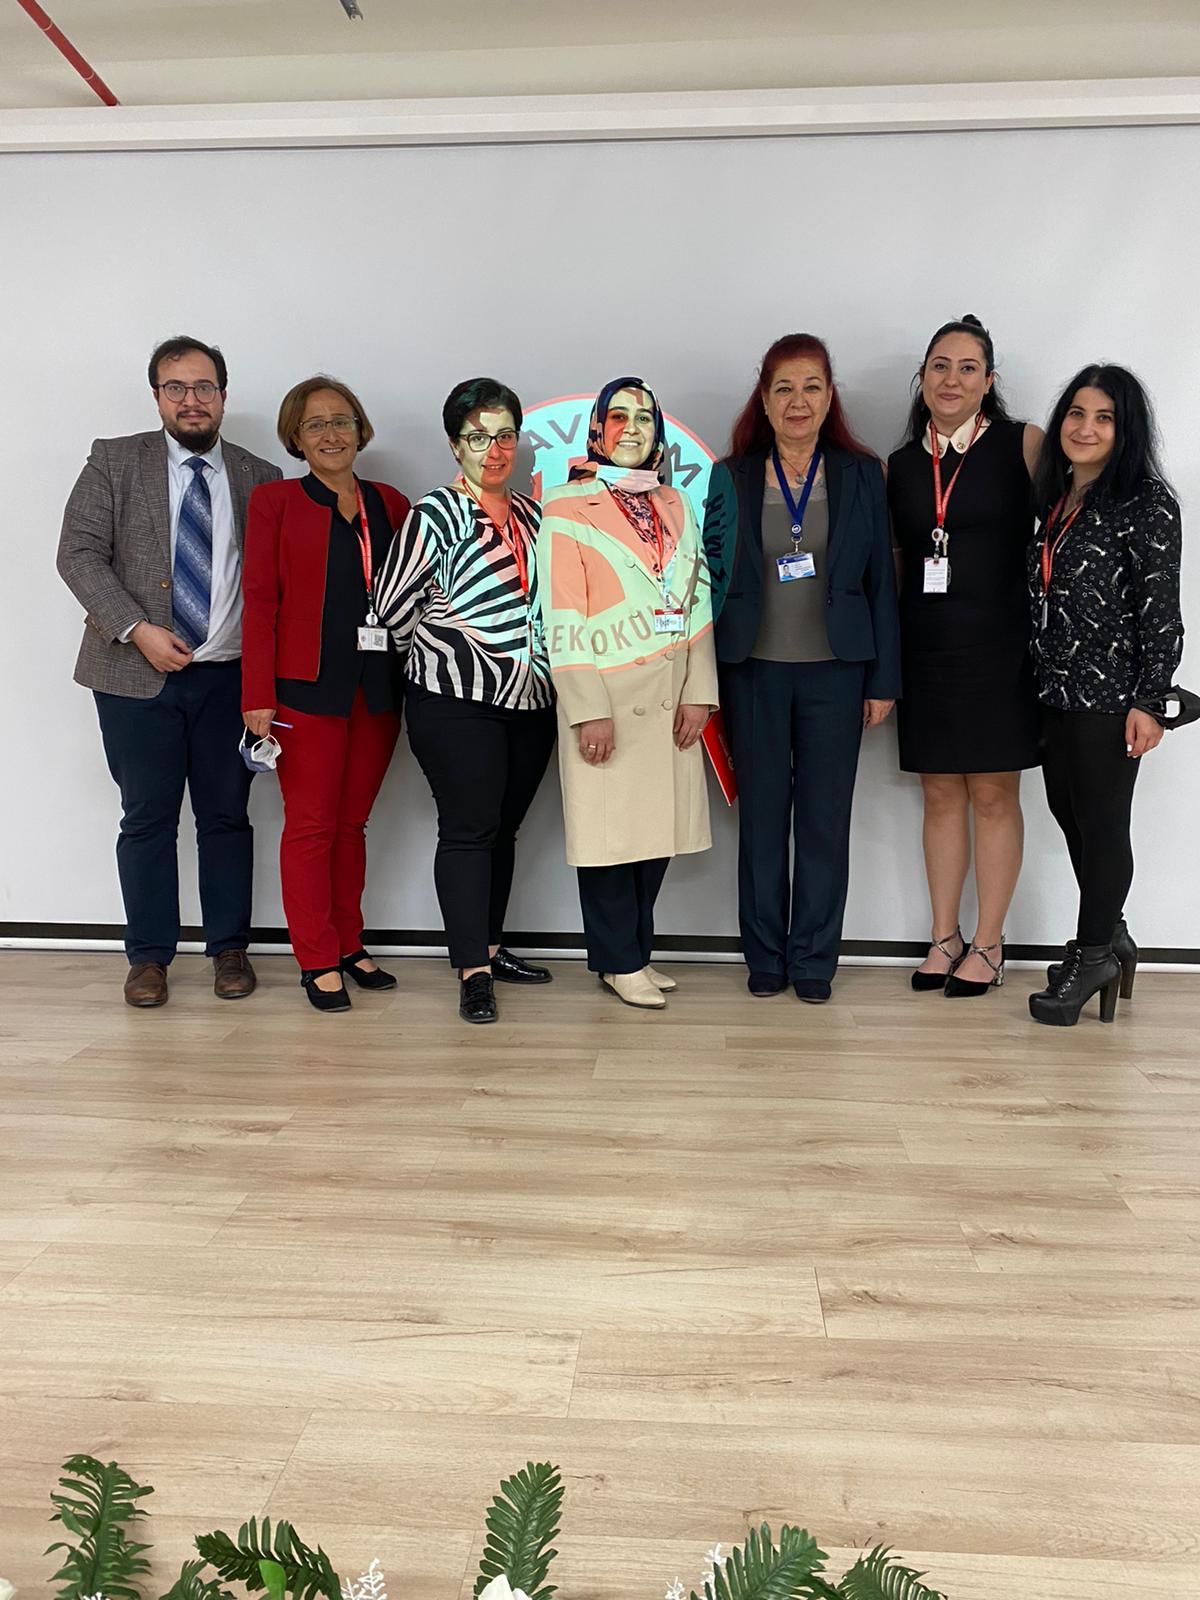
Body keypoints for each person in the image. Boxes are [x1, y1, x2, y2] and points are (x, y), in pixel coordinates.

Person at [57, 335, 281, 1008]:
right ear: (157, 395)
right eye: (175, 387)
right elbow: (78, 554)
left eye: (203, 386)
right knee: (147, 819)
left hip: (228, 680)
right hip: (133, 676)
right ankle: (149, 957)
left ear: (223, 395)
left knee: (227, 818)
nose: (191, 400)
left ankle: (229, 949)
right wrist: (138, 629)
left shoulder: (260, 476)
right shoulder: (114, 460)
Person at [703, 333, 900, 1003]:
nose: (798, 400)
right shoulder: (730, 476)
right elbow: (707, 578)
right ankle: (765, 955)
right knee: (761, 821)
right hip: (752, 671)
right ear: (763, 399)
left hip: (837, 674)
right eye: (783, 387)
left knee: (823, 822)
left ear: (829, 395)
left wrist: (883, 680)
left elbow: (881, 586)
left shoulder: (861, 474)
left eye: (811, 386)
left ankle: (814, 960)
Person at [373, 378, 556, 1025]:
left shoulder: (535, 516)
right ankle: (471, 970)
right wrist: (448, 652)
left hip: (532, 702)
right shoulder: (436, 514)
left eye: (505, 435)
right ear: (456, 445)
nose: (494, 449)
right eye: (479, 437)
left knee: (504, 828)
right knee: (469, 829)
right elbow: (391, 608)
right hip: (455, 700)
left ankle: (493, 948)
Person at [537, 377, 718, 1009]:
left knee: (655, 833)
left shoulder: (676, 501)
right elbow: (563, 615)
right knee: (611, 837)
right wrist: (587, 709)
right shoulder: (566, 505)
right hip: (609, 697)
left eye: (644, 418)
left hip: (671, 689)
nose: (632, 428)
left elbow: (697, 598)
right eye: (619, 417)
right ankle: (619, 959)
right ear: (597, 431)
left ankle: (634, 952)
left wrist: (700, 690)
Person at [241, 377, 410, 1012]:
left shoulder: (391, 503)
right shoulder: (275, 502)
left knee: (352, 825)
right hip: (302, 691)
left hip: (377, 688)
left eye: (342, 421)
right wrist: (256, 694)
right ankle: (316, 957)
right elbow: (260, 601)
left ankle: (348, 942)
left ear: (361, 430)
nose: (331, 434)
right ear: (296, 438)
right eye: (315, 424)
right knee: (311, 827)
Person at [887, 315, 1044, 998]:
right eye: (940, 366)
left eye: (968, 368)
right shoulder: (900, 465)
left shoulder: (1023, 443)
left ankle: (989, 941)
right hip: (928, 649)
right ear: (922, 377)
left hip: (1001, 649)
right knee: (940, 793)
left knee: (993, 793)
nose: (952, 380)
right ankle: (944, 936)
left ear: (989, 381)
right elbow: (899, 562)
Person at [1027, 365, 1184, 1026]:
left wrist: (1150, 701)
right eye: (1076, 413)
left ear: (1126, 430)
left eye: (1104, 418)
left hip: (1111, 696)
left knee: (1104, 823)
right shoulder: (1058, 496)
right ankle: (1111, 935)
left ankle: (1092, 955)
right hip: (1055, 690)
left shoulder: (1146, 502)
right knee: (1070, 814)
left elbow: (1161, 611)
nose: (1085, 428)